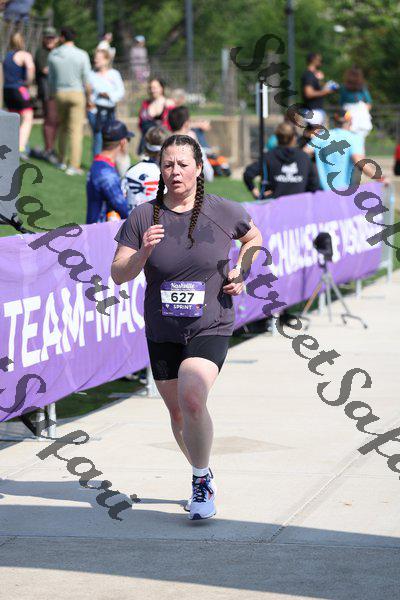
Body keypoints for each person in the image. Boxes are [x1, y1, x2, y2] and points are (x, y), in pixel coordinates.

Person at [111, 134, 262, 520]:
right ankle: (203, 469)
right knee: (179, 414)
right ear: (160, 170)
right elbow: (118, 274)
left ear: (198, 168)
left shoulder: (222, 210)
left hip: (211, 322)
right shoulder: (143, 216)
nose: (175, 171)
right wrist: (143, 252)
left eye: (182, 164)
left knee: (192, 397)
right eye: (168, 165)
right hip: (163, 329)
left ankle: (199, 483)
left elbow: (253, 237)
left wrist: (242, 271)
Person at [304, 109, 385, 191]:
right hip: (344, 191)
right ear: (351, 121)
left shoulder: (321, 136)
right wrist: (379, 177)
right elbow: (359, 161)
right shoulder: (354, 138)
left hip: (323, 191)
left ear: (334, 122)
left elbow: (304, 153)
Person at [48, 26, 91, 176]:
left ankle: (61, 160)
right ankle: (74, 165)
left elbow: (51, 79)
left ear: (62, 37)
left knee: (63, 127)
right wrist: (89, 98)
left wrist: (52, 95)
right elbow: (87, 80)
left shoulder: (54, 54)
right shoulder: (82, 54)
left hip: (60, 93)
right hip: (77, 93)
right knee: (76, 131)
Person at [243, 122, 320, 199]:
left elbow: (248, 174)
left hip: (273, 204)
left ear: (277, 137)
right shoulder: (304, 158)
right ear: (294, 137)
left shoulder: (269, 157)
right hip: (298, 204)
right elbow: (314, 185)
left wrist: (255, 192)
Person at [86, 121, 133, 224]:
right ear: (123, 142)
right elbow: (123, 208)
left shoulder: (98, 164)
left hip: (94, 227)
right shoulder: (106, 173)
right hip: (101, 230)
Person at [2, 32, 35, 159]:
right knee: (28, 116)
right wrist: (28, 83)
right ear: (22, 41)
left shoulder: (7, 56)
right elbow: (31, 69)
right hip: (20, 89)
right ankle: (20, 147)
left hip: (7, 90)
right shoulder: (24, 55)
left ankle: (8, 145)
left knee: (14, 118)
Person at [87, 48, 125, 157]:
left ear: (106, 60)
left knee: (109, 136)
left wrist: (109, 95)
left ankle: (108, 160)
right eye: (95, 58)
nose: (96, 60)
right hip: (95, 110)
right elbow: (87, 90)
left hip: (109, 110)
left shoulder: (114, 74)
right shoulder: (90, 75)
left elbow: (121, 91)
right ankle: (97, 161)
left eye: (99, 58)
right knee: (98, 135)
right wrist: (89, 100)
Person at [123, 126, 169, 211]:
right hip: (158, 218)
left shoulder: (131, 171)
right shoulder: (167, 173)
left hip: (132, 217)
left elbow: (122, 197)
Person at [168, 106, 214, 182]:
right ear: (186, 123)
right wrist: (197, 145)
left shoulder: (164, 144)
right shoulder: (191, 144)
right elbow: (208, 175)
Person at [34, 26, 58, 163]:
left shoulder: (56, 52)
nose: (50, 40)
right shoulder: (41, 52)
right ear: (43, 38)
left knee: (55, 120)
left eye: (52, 38)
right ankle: (48, 149)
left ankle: (51, 148)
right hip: (47, 91)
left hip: (57, 91)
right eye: (48, 38)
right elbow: (45, 70)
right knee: (50, 119)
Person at [138, 78, 175, 154]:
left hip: (162, 142)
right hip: (146, 142)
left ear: (162, 88)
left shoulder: (169, 104)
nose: (152, 90)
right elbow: (140, 122)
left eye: (155, 88)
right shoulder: (145, 104)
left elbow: (173, 124)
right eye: (150, 88)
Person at [340, 66, 373, 150]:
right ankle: (360, 156)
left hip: (349, 113)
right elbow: (369, 103)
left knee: (348, 140)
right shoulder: (362, 87)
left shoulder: (344, 88)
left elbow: (341, 103)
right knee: (360, 141)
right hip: (361, 114)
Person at [301, 52, 337, 126]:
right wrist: (325, 91)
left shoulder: (315, 75)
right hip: (313, 112)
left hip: (317, 111)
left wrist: (321, 81)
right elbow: (309, 93)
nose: (321, 61)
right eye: (319, 60)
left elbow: (317, 89)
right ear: (313, 60)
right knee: (314, 133)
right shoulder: (309, 75)